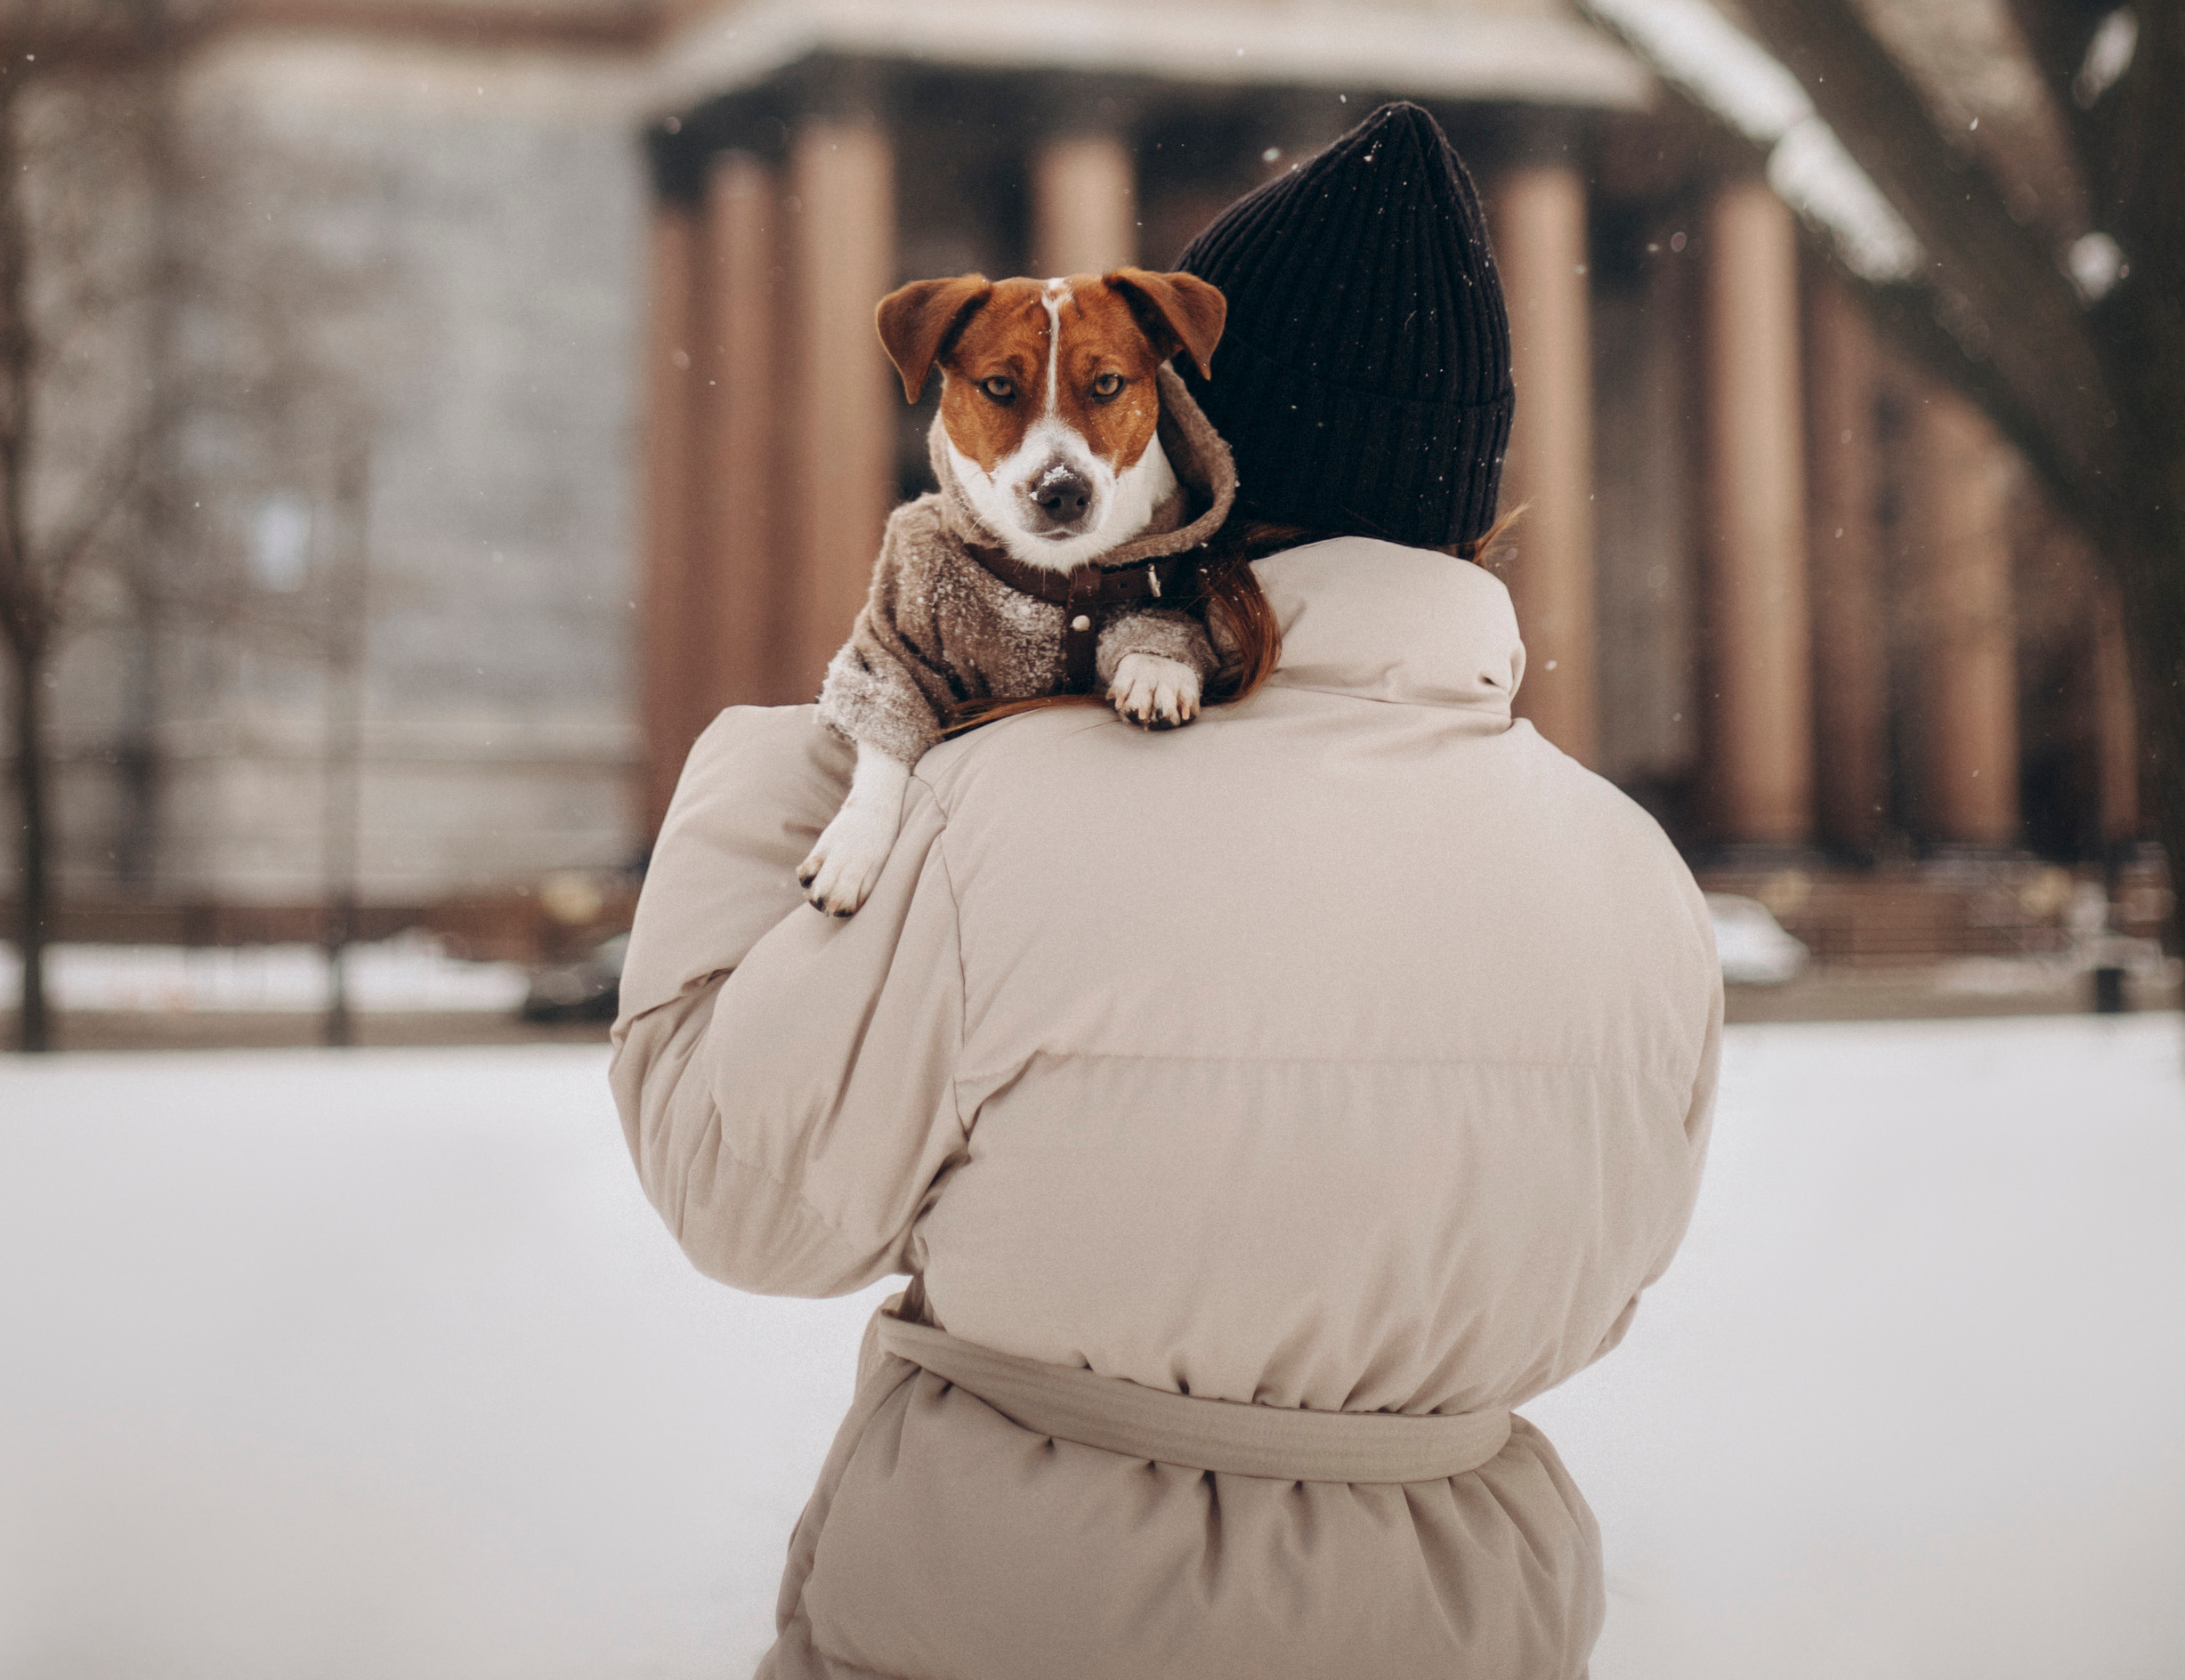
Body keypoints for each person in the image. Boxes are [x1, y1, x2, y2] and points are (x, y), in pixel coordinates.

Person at [610, 101, 1721, 1679]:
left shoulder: (995, 817)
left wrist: (773, 765)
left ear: (1187, 442)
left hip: (1011, 1621)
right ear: (1476, 490)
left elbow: (741, 1198)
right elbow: (1596, 1299)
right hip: (1463, 1622)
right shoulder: (1635, 878)